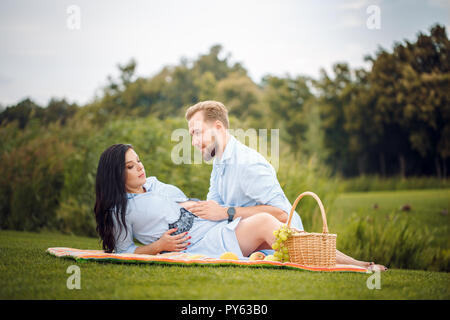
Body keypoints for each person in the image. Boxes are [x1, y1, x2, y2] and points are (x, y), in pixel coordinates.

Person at [93, 143, 387, 271]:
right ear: (116, 174)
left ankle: (348, 262)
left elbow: (181, 205)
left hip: (213, 225)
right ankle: (352, 264)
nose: (140, 168)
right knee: (266, 223)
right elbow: (119, 252)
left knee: (278, 229)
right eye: (130, 167)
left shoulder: (156, 184)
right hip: (201, 242)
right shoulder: (119, 210)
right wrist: (158, 245)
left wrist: (202, 206)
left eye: (139, 161)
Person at [184, 100, 303, 256]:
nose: (194, 142)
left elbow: (282, 214)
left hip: (285, 244)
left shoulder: (247, 164)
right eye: (192, 135)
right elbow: (214, 207)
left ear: (218, 128)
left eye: (198, 133)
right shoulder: (219, 163)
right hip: (253, 244)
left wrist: (226, 212)